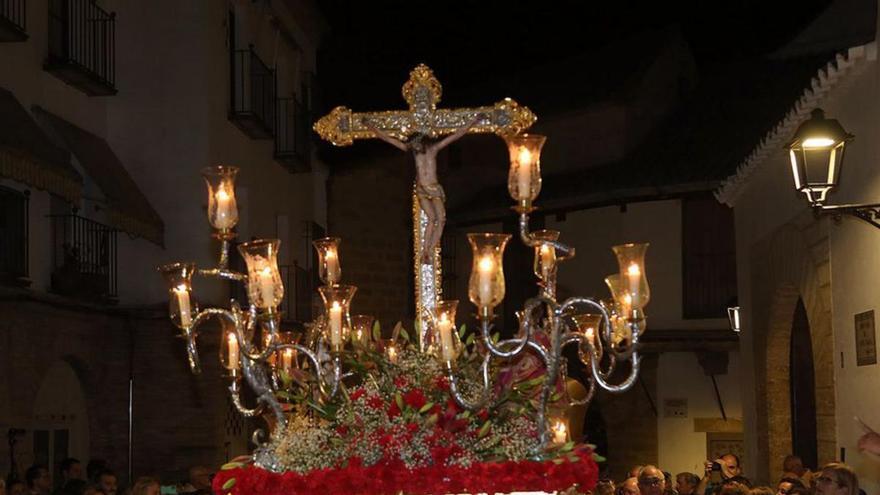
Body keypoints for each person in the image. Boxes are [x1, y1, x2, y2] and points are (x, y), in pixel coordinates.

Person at [363, 117, 479, 264]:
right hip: (421, 189)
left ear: (422, 142)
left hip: (434, 188)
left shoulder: (434, 149)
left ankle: (429, 250)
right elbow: (387, 139)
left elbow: (456, 135)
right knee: (431, 219)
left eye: (416, 144)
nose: (414, 147)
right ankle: (426, 251)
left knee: (441, 219)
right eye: (413, 145)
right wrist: (370, 125)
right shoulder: (412, 150)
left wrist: (473, 122)